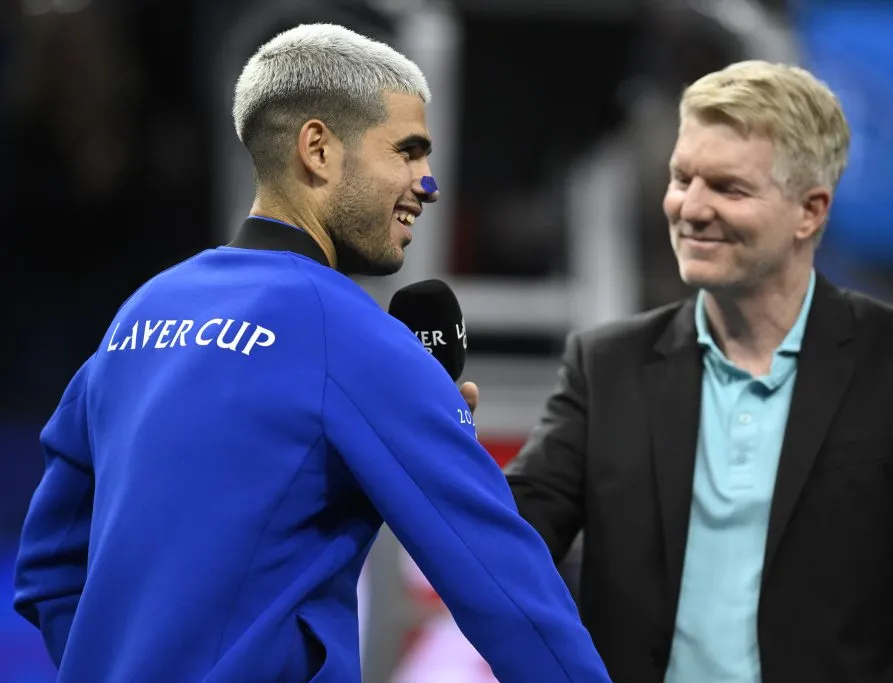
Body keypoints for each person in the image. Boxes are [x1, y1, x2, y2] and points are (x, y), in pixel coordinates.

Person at [12, 23, 611, 683]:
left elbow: (46, 566)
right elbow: (508, 589)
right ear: (319, 150)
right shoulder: (352, 336)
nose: (429, 183)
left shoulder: (144, 310)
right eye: (407, 152)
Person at [500, 60, 893, 682]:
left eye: (728, 188)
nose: (690, 208)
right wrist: (440, 424)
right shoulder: (606, 365)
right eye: (681, 178)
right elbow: (507, 538)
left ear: (810, 212)